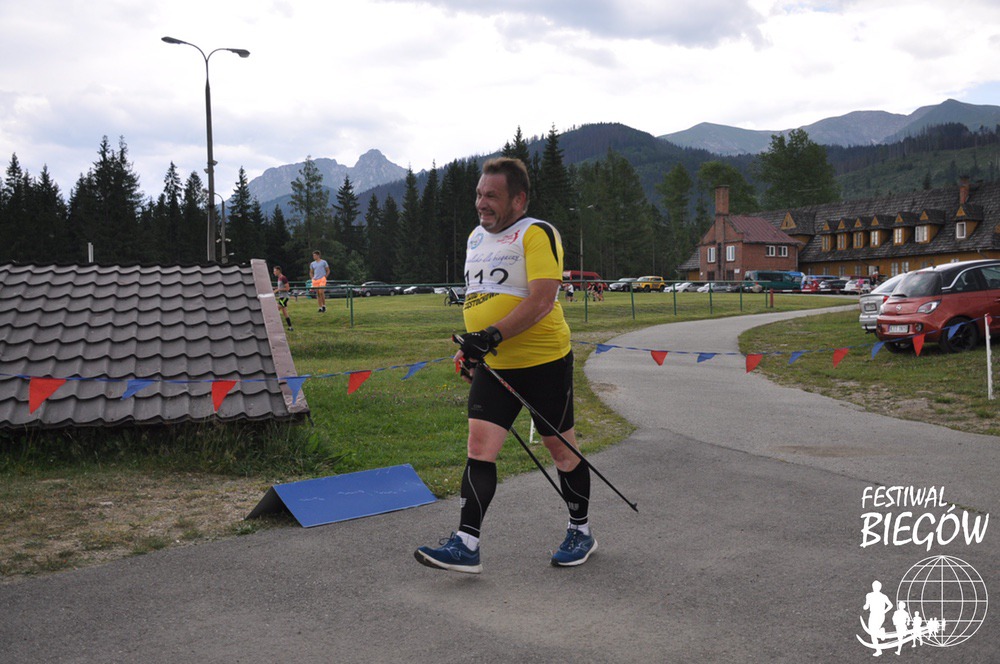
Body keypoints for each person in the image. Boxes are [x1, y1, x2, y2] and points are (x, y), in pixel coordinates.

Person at [414, 157, 595, 574]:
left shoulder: (537, 233)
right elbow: (479, 298)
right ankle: (466, 544)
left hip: (544, 362)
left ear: (518, 199)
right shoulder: (475, 238)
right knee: (479, 449)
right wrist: (471, 347)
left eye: (491, 196)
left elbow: (542, 300)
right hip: (495, 366)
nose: (481, 203)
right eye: (479, 194)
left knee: (561, 451)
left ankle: (581, 531)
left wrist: (490, 336)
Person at [272, 265, 293, 331]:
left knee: (276, 310)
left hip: (284, 297)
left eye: (275, 271)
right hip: (281, 297)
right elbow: (281, 287)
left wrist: (278, 290)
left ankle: (274, 326)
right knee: (284, 312)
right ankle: (290, 327)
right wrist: (275, 288)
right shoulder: (279, 279)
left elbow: (287, 288)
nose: (274, 272)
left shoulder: (283, 278)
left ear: (278, 271)